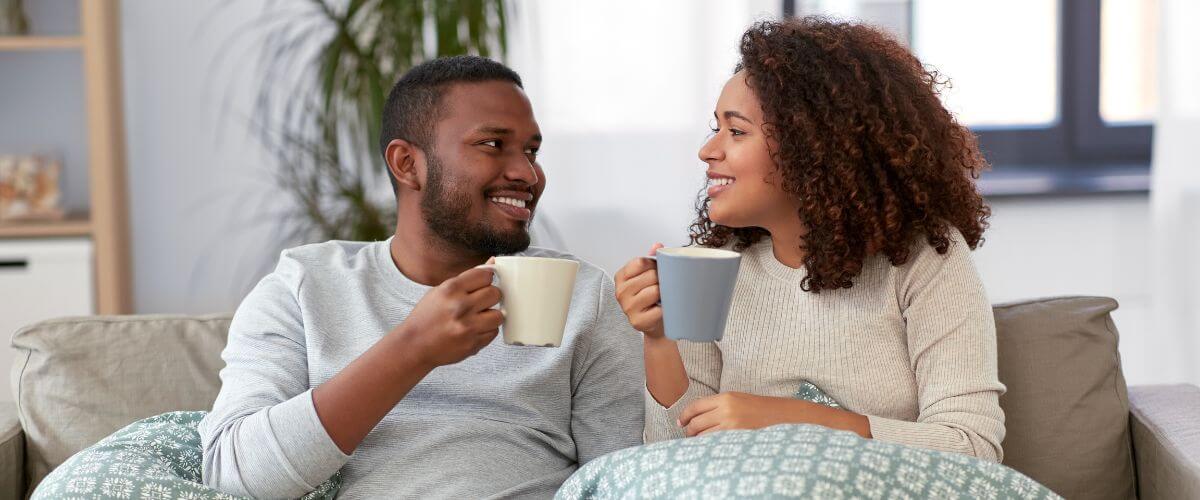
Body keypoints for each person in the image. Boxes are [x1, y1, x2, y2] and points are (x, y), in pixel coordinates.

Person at [199, 55, 644, 499]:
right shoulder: (304, 287)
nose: (526, 174)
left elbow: (628, 478)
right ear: (407, 164)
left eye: (531, 151)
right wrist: (414, 348)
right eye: (492, 144)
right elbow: (235, 475)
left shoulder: (583, 295)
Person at [615, 17, 1005, 462]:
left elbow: (974, 449)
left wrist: (792, 420)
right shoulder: (717, 267)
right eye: (715, 128)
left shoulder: (925, 260)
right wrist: (660, 339)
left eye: (736, 131)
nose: (708, 150)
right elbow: (672, 463)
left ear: (813, 145)